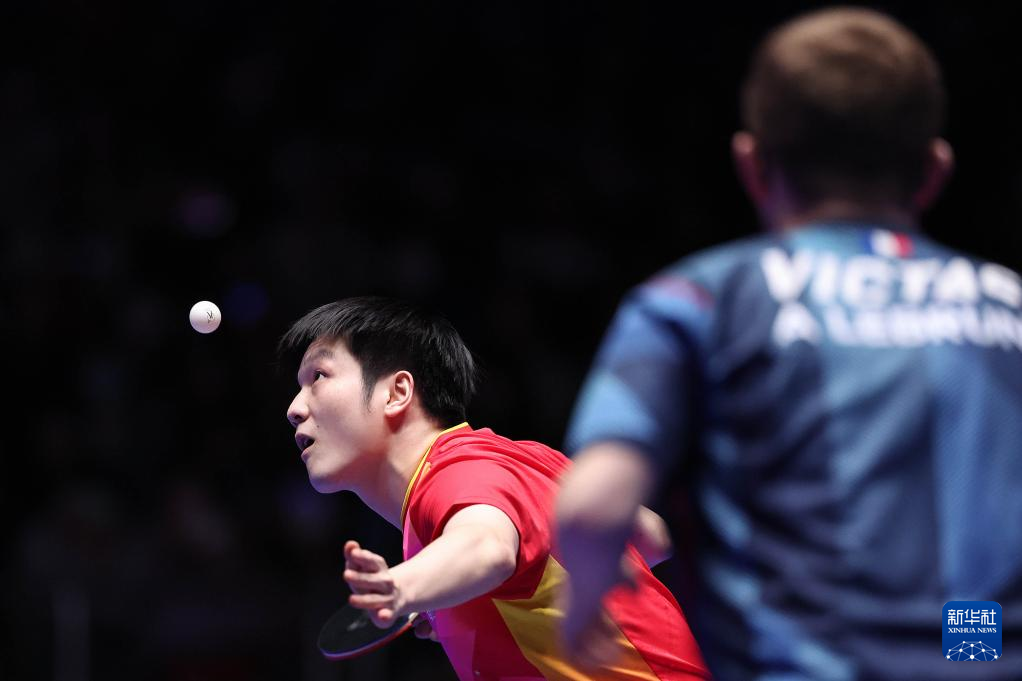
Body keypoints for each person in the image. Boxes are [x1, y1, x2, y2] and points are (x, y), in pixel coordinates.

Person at [555, 7, 1022, 680]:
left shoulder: (700, 298)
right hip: (976, 659)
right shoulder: (1007, 304)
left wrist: (582, 607)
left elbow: (592, 503)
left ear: (751, 164)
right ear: (934, 169)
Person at [280, 296, 710, 680]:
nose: (294, 409)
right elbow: (652, 536)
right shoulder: (523, 458)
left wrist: (403, 587)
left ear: (397, 392)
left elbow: (489, 547)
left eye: (318, 376)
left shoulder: (453, 473)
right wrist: (461, 601)